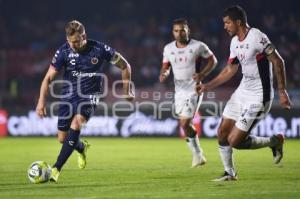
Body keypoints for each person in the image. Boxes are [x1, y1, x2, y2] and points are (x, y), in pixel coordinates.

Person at [196, 5, 292, 181]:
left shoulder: (257, 37)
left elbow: (278, 61)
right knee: (222, 133)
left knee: (235, 141)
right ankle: (230, 174)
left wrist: (282, 91)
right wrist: (208, 86)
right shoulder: (234, 42)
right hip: (242, 92)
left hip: (259, 96)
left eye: (227, 23)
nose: (225, 26)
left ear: (238, 22)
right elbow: (230, 70)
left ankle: (274, 141)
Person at [36, 20, 134, 182]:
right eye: (70, 41)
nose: (73, 45)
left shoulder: (100, 49)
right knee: (62, 139)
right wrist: (41, 101)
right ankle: (81, 147)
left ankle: (56, 168)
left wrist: (127, 90)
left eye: (77, 41)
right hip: (68, 96)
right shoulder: (63, 52)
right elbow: (47, 79)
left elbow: (125, 66)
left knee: (77, 123)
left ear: (84, 36)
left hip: (90, 94)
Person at [160, 18, 217, 167]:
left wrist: (202, 74)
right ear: (173, 32)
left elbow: (213, 61)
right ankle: (198, 155)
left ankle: (198, 155)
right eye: (176, 30)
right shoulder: (168, 48)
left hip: (194, 89)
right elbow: (165, 66)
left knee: (184, 122)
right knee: (185, 125)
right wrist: (164, 74)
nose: (179, 33)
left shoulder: (198, 46)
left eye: (182, 30)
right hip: (178, 91)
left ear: (187, 31)